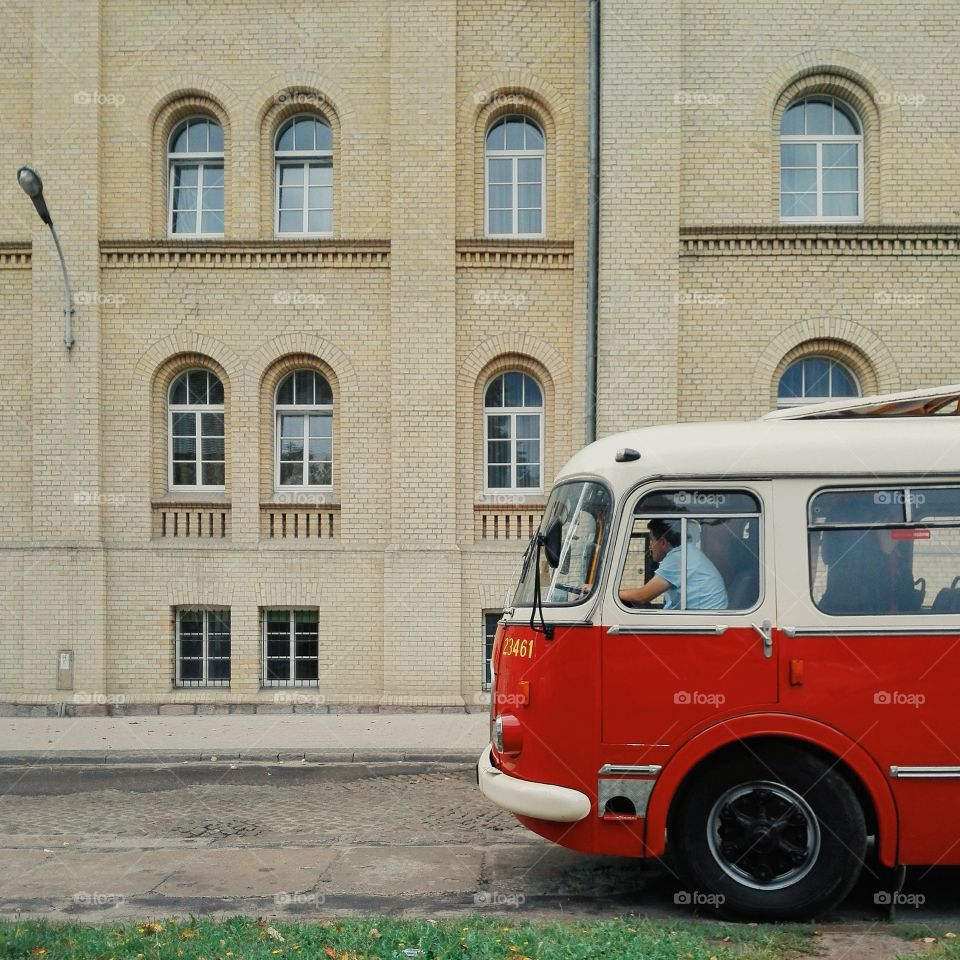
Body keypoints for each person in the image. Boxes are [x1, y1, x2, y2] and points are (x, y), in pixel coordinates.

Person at [619, 517, 728, 610]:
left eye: (652, 540)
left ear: (662, 542)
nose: (650, 546)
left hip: (700, 624)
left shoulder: (678, 558)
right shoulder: (686, 551)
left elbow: (643, 596)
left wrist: (613, 595)